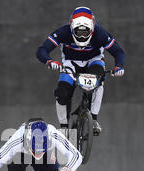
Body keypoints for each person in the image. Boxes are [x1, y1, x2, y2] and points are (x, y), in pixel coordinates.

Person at [36, 6, 125, 135]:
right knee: (62, 94)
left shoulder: (100, 33)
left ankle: (94, 119)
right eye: (79, 33)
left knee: (99, 81)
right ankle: (64, 127)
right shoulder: (63, 32)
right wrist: (49, 61)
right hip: (70, 63)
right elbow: (42, 49)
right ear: (71, 28)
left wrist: (119, 66)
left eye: (85, 33)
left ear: (92, 29)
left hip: (93, 61)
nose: (82, 37)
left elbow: (118, 51)